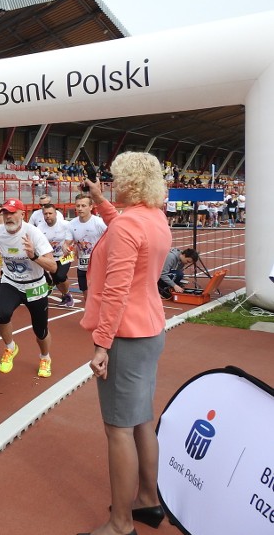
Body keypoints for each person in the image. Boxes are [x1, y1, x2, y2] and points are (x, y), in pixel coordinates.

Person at [78, 152, 173, 535]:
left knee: (118, 428)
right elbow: (124, 228)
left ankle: (120, 524)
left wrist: (101, 345)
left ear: (129, 183)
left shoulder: (128, 227)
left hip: (125, 335)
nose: (114, 183)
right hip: (151, 327)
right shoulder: (154, 217)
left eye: (117, 179)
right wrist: (101, 201)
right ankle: (148, 501)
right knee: (141, 421)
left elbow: (116, 292)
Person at [0, 198, 57, 377]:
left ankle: (45, 357)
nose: (8, 217)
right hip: (11, 282)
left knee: (40, 330)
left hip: (34, 286)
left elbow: (53, 266)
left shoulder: (34, 234)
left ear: (22, 214)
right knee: (1, 315)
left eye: (12, 213)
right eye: (5, 213)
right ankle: (10, 348)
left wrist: (34, 256)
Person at [69, 193, 107, 302]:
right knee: (86, 296)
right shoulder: (71, 224)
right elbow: (67, 243)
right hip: (82, 266)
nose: (80, 208)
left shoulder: (99, 223)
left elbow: (111, 239)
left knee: (99, 296)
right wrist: (66, 249)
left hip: (98, 266)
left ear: (91, 207)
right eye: (78, 206)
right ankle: (90, 318)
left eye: (83, 206)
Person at [37, 203, 75, 307]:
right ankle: (64, 294)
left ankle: (67, 296)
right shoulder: (40, 227)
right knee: (57, 278)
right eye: (45, 214)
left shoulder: (65, 224)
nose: (48, 216)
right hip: (51, 257)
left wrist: (69, 247)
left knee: (61, 276)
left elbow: (74, 236)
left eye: (50, 213)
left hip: (65, 255)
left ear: (56, 214)